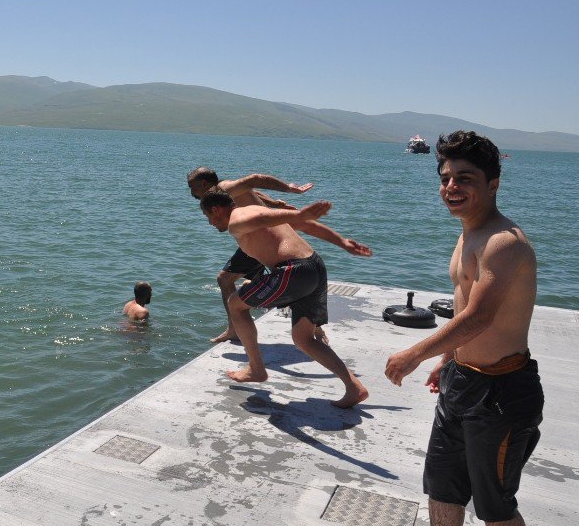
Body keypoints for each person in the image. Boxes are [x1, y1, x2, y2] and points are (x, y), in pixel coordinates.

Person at [385, 131, 542, 526]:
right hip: (461, 382)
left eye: (465, 178)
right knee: (442, 491)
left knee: (495, 508)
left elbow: (479, 316)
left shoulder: (504, 242)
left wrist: (413, 354)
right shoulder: (468, 234)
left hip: (501, 392)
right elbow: (461, 304)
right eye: (445, 178)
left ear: (493, 184)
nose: (451, 187)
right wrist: (446, 359)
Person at [199, 188, 368, 408]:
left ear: (216, 209)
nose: (210, 223)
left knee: (235, 304)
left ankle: (256, 368)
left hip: (292, 271)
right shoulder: (255, 209)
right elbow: (307, 226)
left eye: (208, 217)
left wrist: (299, 215)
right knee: (303, 338)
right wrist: (342, 242)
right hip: (314, 267)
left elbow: (265, 218)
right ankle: (354, 387)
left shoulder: (237, 219)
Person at [187, 167, 372, 343]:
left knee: (225, 279)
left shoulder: (223, 188)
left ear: (203, 184)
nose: (190, 192)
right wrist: (275, 204)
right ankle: (314, 327)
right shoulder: (225, 191)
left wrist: (289, 189)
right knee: (282, 278)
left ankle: (237, 330)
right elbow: (253, 193)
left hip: (260, 235)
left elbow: (255, 180)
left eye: (192, 186)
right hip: (261, 236)